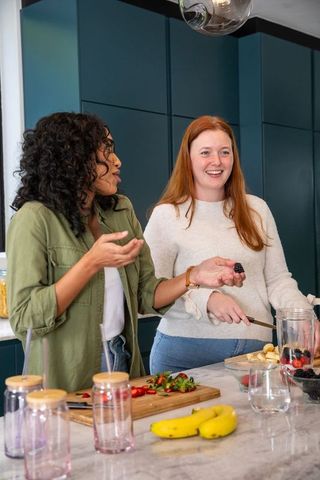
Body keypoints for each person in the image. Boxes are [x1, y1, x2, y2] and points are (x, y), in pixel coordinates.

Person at [6, 112, 245, 393]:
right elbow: (25, 317)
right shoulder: (34, 218)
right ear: (72, 159)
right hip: (64, 375)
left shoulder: (120, 210)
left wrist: (194, 276)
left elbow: (147, 296)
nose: (117, 160)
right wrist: (91, 263)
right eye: (105, 151)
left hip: (122, 361)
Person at [144, 115, 316, 374]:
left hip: (255, 355)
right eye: (205, 152)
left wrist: (304, 316)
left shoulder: (257, 209)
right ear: (188, 159)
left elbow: (278, 280)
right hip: (183, 353)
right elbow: (151, 292)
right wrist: (207, 299)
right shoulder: (167, 215)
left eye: (225, 152)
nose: (217, 161)